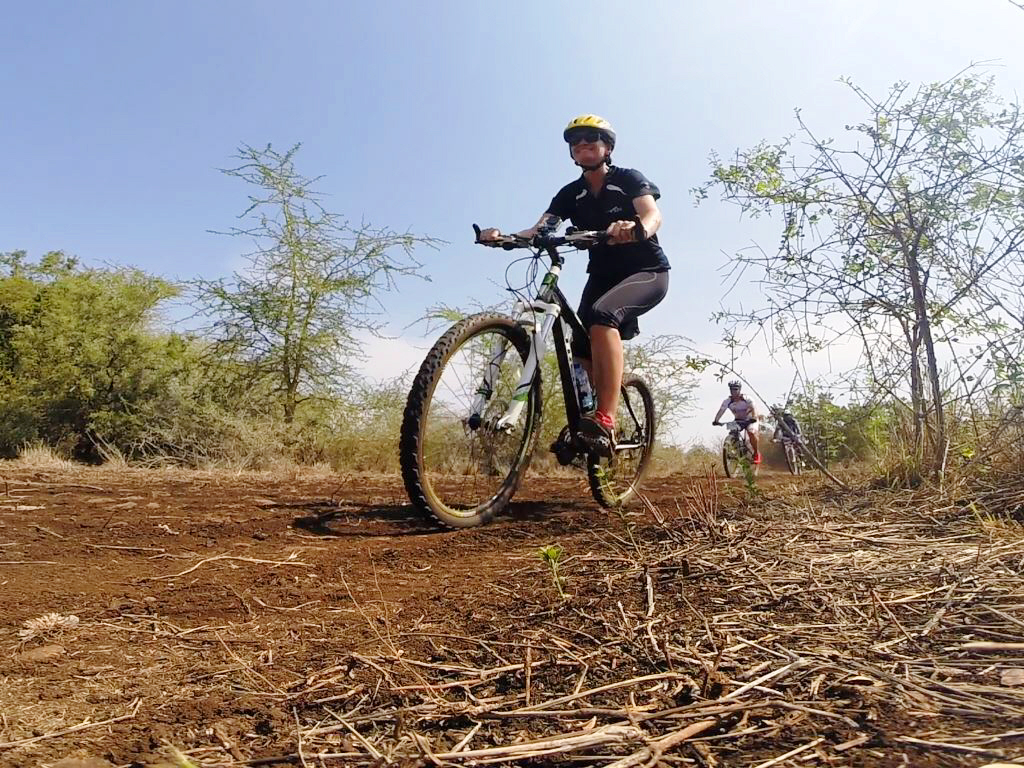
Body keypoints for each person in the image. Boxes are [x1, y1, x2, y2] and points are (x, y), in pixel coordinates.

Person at [479, 115, 670, 456]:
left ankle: (606, 419)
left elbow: (652, 214)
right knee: (580, 346)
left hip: (646, 271)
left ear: (607, 147)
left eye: (591, 139)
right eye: (576, 141)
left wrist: (636, 227)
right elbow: (540, 229)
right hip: (602, 276)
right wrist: (502, 236)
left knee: (601, 316)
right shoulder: (572, 194)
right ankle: (589, 417)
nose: (583, 145)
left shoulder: (628, 179)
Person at [712, 381, 761, 463]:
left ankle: (756, 453)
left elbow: (754, 409)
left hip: (751, 419)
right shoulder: (727, 401)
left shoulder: (747, 398)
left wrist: (754, 416)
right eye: (731, 389)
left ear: (739, 390)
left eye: (735, 389)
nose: (733, 391)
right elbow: (721, 411)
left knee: (751, 432)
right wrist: (716, 420)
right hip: (739, 420)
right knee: (733, 432)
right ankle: (737, 451)